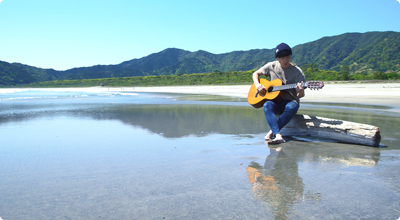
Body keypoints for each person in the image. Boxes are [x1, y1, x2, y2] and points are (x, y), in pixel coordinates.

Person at [252, 43, 306, 144]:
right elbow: (255, 74)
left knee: (291, 107)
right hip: (275, 101)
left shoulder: (297, 72)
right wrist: (257, 85)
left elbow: (301, 96)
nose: (285, 61)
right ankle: (278, 135)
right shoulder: (271, 66)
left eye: (288, 57)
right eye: (282, 58)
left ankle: (273, 132)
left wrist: (301, 90)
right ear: (277, 58)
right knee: (267, 105)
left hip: (290, 101)